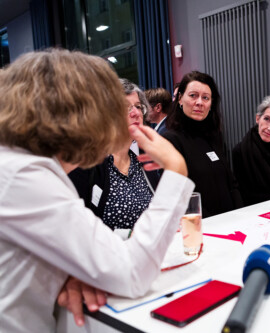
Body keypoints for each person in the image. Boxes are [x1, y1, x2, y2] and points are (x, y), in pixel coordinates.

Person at [0, 49, 194, 332]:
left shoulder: (19, 166)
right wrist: (176, 170)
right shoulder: (23, 176)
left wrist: (70, 270)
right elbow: (131, 272)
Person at [69, 79, 160, 233]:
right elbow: (77, 230)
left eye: (138, 107)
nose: (136, 113)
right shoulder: (87, 165)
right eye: (125, 108)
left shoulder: (143, 160)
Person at [163, 71, 242, 217]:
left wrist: (239, 214)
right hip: (202, 226)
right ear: (180, 99)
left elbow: (231, 183)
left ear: (211, 104)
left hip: (232, 223)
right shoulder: (170, 140)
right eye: (193, 95)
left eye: (205, 98)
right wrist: (212, 223)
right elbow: (178, 196)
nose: (199, 102)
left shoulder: (214, 136)